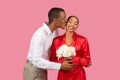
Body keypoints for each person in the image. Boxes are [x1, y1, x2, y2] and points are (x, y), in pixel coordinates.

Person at [23, 7, 75, 80]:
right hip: (34, 68)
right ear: (55, 21)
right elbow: (36, 60)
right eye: (63, 18)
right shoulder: (40, 35)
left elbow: (54, 51)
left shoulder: (55, 32)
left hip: (43, 68)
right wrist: (60, 66)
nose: (66, 20)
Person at [50, 16, 91, 80]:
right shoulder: (56, 40)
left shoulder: (83, 40)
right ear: (66, 23)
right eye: (70, 21)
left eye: (75, 23)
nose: (72, 25)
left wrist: (73, 59)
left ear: (77, 27)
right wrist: (62, 61)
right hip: (63, 75)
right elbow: (52, 60)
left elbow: (87, 61)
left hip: (78, 76)